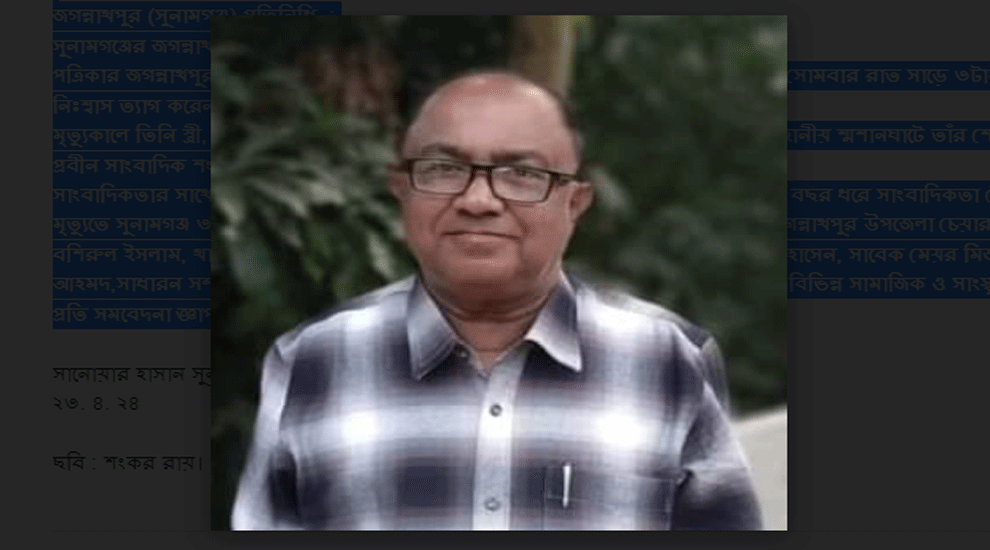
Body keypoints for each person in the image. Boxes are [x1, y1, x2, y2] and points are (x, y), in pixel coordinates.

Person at [231, 68, 762, 530]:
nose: (478, 200)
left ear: (575, 202)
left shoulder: (667, 361)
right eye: (444, 169)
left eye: (522, 174)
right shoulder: (313, 361)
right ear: (402, 189)